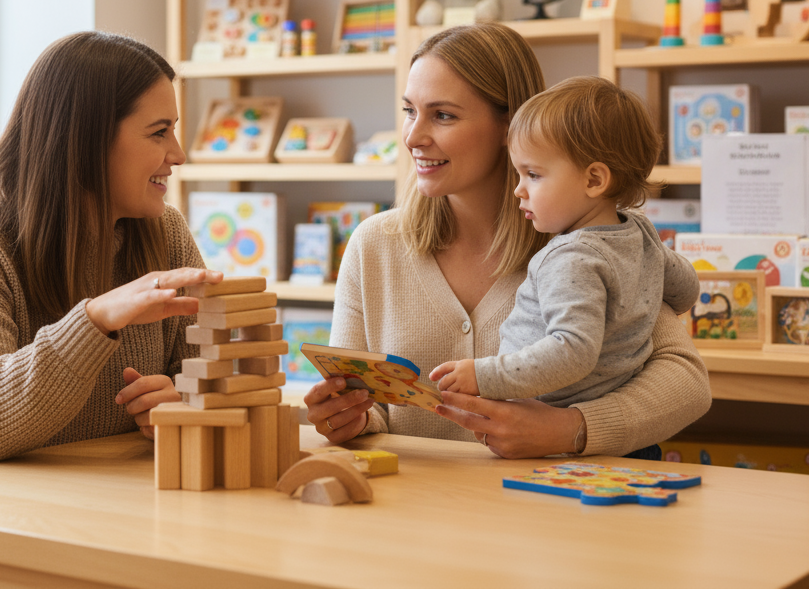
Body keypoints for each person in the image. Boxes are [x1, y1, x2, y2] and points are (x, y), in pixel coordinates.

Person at [304, 23, 711, 458]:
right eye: (409, 111)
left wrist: (570, 429)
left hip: (556, 512)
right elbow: (375, 405)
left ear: (509, 124)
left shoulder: (588, 238)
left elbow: (686, 381)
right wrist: (354, 418)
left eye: (443, 115)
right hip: (421, 514)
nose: (412, 136)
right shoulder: (374, 245)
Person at [0, 31, 221, 468]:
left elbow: (211, 377)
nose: (178, 154)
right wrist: (96, 320)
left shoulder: (165, 232)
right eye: (159, 133)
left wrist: (183, 404)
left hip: (111, 505)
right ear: (85, 140)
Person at [429, 76, 700, 431]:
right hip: (611, 431)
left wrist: (484, 375)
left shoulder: (571, 259)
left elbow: (572, 351)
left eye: (533, 175)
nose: (518, 190)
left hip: (553, 440)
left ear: (593, 181)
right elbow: (686, 290)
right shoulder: (640, 233)